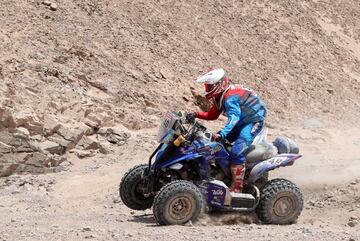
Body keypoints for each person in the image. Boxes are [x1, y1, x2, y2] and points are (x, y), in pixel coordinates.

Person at [187, 68, 267, 193]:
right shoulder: (221, 96)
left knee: (237, 151)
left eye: (209, 85)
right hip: (242, 122)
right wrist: (195, 114)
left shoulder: (230, 97)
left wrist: (222, 133)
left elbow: (234, 117)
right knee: (216, 145)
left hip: (253, 122)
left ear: (219, 84)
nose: (207, 88)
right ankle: (221, 174)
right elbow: (212, 115)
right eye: (207, 86)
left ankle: (237, 187)